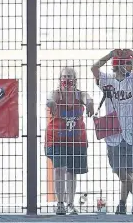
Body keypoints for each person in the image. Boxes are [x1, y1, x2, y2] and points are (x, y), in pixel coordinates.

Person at [91, 48, 133, 215]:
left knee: (128, 169)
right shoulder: (107, 79)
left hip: (132, 129)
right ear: (119, 65)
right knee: (119, 168)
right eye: (129, 63)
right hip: (113, 131)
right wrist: (111, 55)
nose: (132, 66)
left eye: (132, 63)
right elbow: (94, 68)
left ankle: (122, 204)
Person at [45, 67, 94, 215]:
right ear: (60, 79)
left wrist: (90, 102)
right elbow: (49, 99)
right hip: (57, 139)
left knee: (72, 172)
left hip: (76, 139)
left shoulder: (80, 94)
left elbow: (87, 97)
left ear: (75, 80)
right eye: (64, 77)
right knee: (59, 169)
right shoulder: (56, 93)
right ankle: (60, 203)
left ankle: (70, 203)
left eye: (70, 77)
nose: (67, 80)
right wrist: (52, 103)